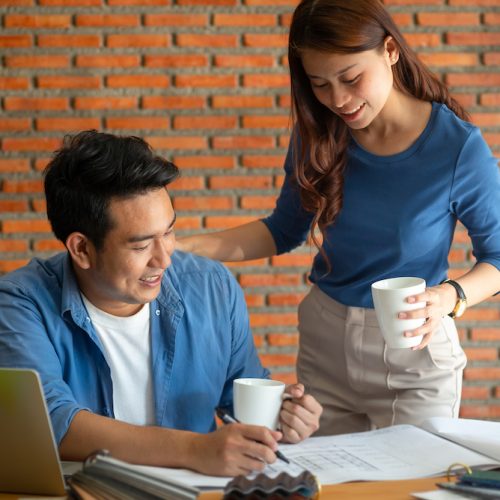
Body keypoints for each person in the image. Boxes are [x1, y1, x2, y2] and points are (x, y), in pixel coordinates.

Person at [177, 0, 500, 435]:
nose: (339, 100)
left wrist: (449, 297)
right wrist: (182, 247)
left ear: (389, 50)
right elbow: (281, 231)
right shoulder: (318, 135)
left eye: (351, 78)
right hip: (325, 346)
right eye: (320, 84)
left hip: (413, 356)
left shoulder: (456, 148)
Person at [0, 130, 322, 476]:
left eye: (168, 232)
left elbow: (240, 398)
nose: (164, 260)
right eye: (141, 246)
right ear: (81, 249)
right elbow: (51, 423)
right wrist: (194, 450)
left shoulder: (211, 287)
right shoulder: (21, 304)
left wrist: (284, 415)